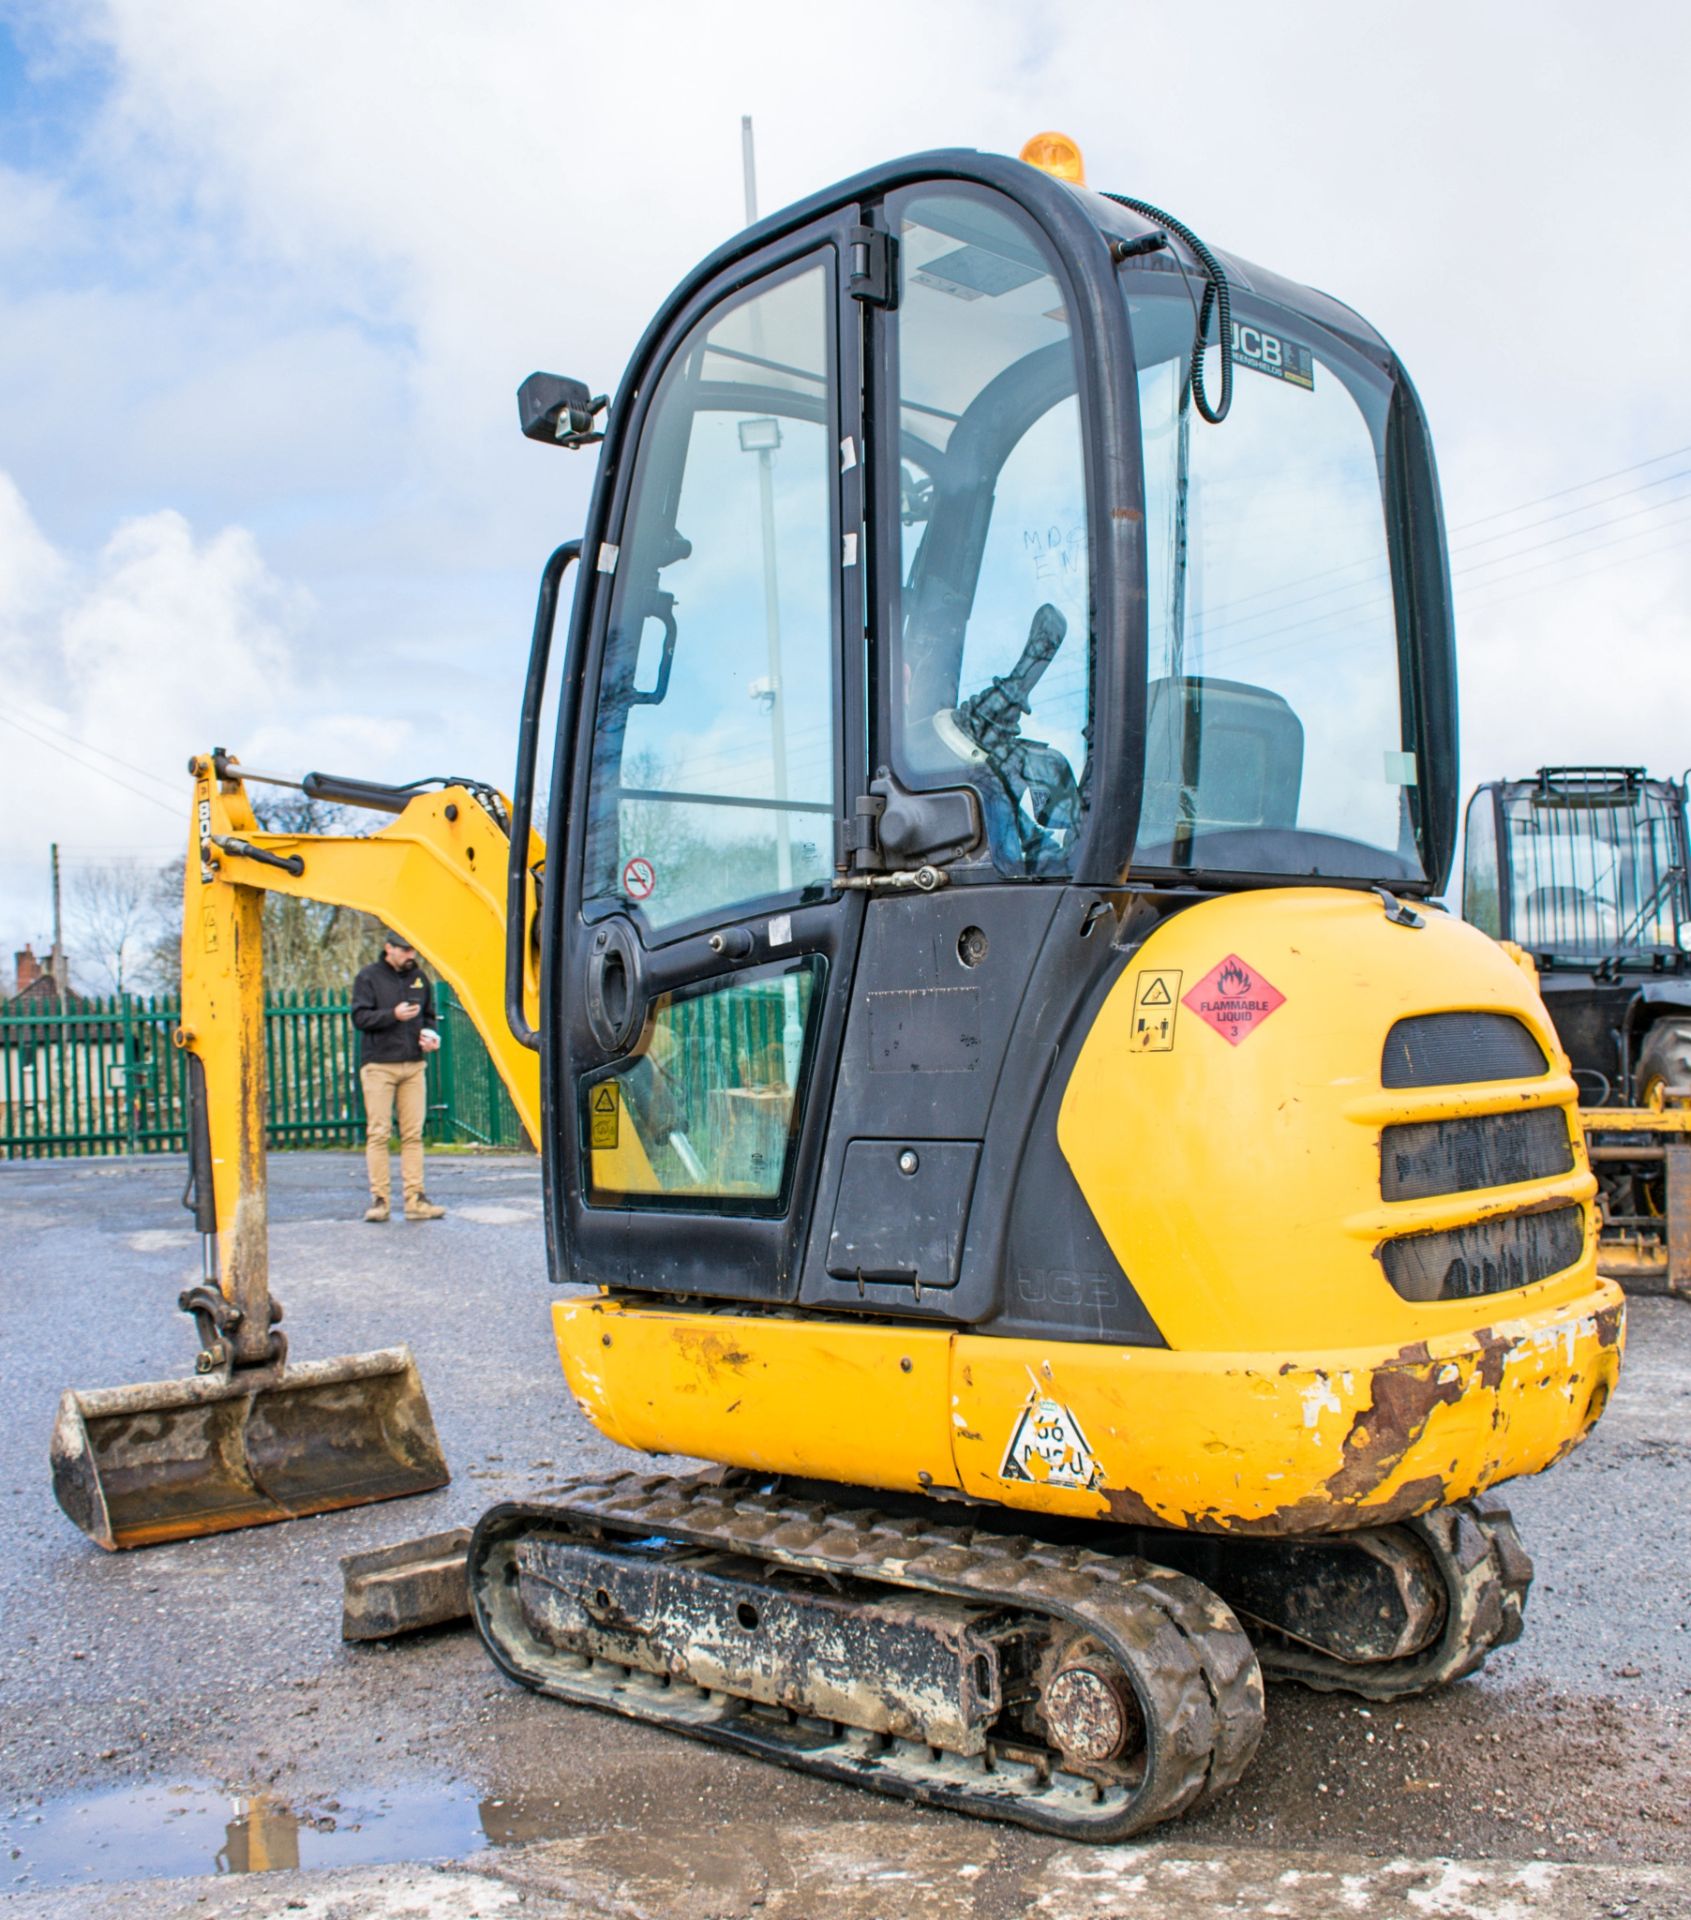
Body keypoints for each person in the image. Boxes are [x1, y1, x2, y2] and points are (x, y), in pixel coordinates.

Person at [351, 929, 445, 1222]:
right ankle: (380, 1200)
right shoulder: (368, 978)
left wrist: (430, 1037)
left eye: (412, 950)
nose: (410, 956)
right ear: (388, 948)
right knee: (379, 1134)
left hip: (414, 1065)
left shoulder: (420, 978)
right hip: (379, 1065)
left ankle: (415, 1199)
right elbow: (360, 1017)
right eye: (404, 950)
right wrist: (393, 1015)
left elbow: (429, 1017)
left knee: (413, 1135)